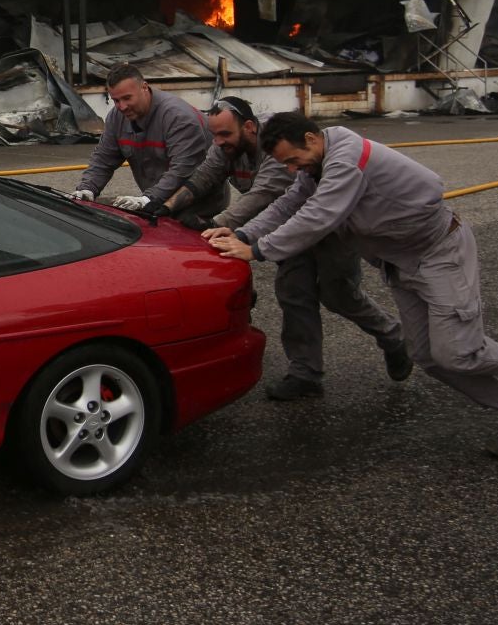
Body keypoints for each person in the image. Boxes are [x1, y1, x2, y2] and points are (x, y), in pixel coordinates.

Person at [205, 113, 498, 459]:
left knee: (458, 353)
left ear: (311, 138)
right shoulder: (317, 160)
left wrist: (257, 249)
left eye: (293, 160)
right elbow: (291, 202)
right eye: (286, 163)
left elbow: (319, 216)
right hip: (401, 262)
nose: (292, 169)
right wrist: (241, 231)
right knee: (428, 356)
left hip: (441, 254)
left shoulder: (346, 160)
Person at [164, 97, 410, 400]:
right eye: (214, 135)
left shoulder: (284, 142)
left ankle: (393, 336)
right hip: (286, 230)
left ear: (249, 127)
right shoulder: (234, 146)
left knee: (339, 295)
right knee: (294, 293)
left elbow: (275, 198)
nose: (218, 142)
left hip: (332, 228)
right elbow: (279, 201)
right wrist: (168, 207)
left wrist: (244, 241)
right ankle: (305, 373)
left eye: (225, 134)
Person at [72, 64, 224, 219]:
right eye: (116, 100)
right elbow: (104, 159)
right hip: (157, 201)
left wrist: (148, 199)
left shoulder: (179, 118)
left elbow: (182, 171)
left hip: (199, 207)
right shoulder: (117, 117)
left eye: (127, 98)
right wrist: (87, 188)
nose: (122, 106)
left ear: (144, 87)